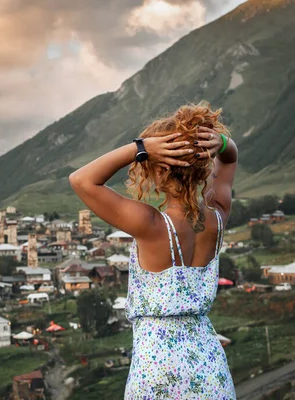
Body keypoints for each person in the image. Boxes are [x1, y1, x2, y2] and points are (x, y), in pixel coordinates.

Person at [69, 101, 238, 399]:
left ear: (159, 169)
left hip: (158, 370)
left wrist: (140, 147)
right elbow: (229, 162)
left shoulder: (150, 225)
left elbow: (81, 180)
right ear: (202, 169)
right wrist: (223, 143)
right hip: (209, 365)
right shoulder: (218, 217)